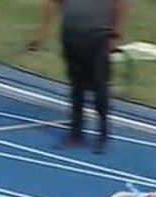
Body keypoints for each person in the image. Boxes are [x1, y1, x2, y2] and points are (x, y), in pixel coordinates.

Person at [28, 0, 128, 154]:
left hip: (98, 38)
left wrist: (115, 34)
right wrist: (42, 35)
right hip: (71, 37)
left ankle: (102, 134)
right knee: (76, 88)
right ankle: (76, 133)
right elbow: (53, 3)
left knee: (99, 88)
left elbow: (120, 3)